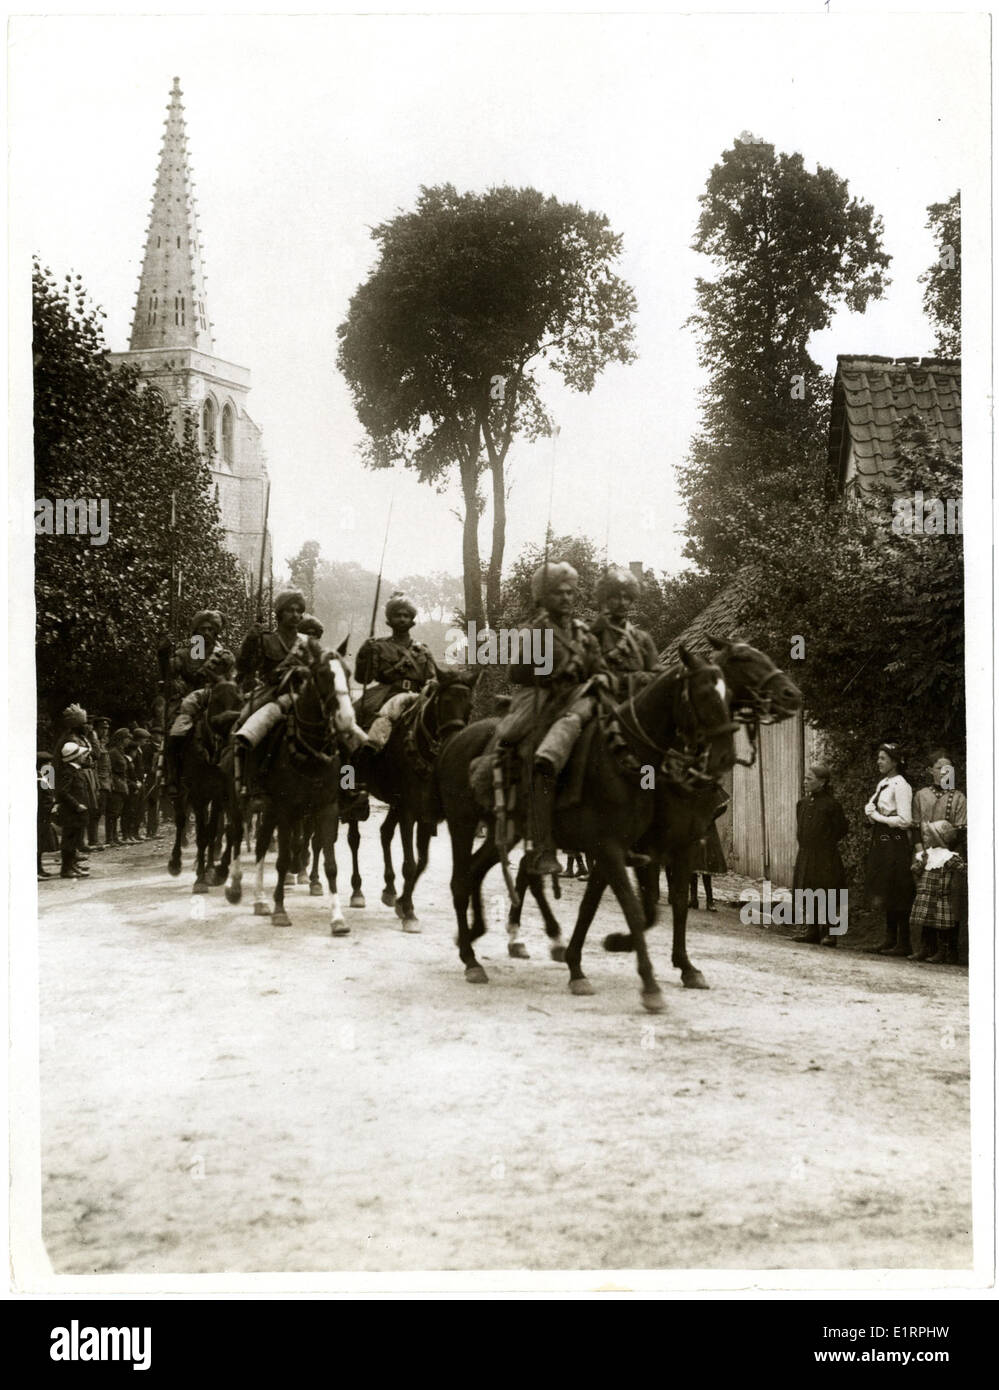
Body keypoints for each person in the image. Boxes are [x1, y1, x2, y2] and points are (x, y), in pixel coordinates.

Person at [496, 560, 607, 876]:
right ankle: (543, 846)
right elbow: (517, 672)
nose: (566, 598)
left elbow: (599, 669)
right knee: (538, 754)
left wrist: (596, 676)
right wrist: (552, 672)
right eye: (558, 592)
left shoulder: (584, 633)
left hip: (580, 698)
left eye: (571, 592)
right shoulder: (536, 631)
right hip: (543, 699)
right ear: (543, 596)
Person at [354, 593, 438, 750]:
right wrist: (365, 653)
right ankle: (357, 760)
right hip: (385, 695)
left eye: (406, 615)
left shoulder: (422, 650)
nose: (402, 619)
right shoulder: (378, 646)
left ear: (412, 619)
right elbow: (362, 680)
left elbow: (432, 679)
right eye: (397, 615)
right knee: (356, 716)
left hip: (417, 695)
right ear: (389, 620)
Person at [910, 752, 967, 964]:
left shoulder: (958, 797)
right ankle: (927, 946)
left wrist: (944, 850)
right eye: (940, 767)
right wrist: (920, 851)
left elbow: (960, 829)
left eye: (949, 767)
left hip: (948, 852)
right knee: (926, 897)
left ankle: (949, 949)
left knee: (948, 900)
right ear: (930, 771)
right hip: (925, 853)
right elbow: (916, 826)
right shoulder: (921, 795)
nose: (945, 771)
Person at [863, 742, 915, 956]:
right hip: (883, 839)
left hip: (895, 840)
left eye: (883, 758)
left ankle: (903, 943)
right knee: (886, 887)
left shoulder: (901, 785)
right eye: (878, 757)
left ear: (895, 762)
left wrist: (876, 816)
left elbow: (905, 820)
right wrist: (871, 815)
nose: (879, 761)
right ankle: (889, 938)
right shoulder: (884, 783)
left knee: (898, 888)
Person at [790, 764, 849, 946]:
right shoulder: (803, 804)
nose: (805, 782)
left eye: (810, 779)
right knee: (808, 888)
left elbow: (841, 829)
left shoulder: (832, 805)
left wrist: (825, 842)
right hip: (806, 853)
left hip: (825, 855)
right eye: (805, 778)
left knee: (826, 890)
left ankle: (830, 932)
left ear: (822, 782)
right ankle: (812, 930)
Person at [590, 566, 659, 694]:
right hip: (604, 701)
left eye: (626, 597)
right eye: (616, 597)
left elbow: (656, 672)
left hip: (639, 702)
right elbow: (586, 672)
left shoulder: (642, 637)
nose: (622, 603)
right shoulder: (593, 632)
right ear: (606, 599)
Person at [56, 742, 91, 879]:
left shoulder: (76, 770)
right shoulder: (68, 772)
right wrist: (76, 805)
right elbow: (63, 792)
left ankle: (72, 866)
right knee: (68, 842)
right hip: (72, 813)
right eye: (82, 755)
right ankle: (66, 869)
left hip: (78, 813)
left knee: (75, 841)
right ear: (75, 757)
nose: (84, 757)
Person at [37, 751, 56, 879]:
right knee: (38, 843)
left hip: (43, 815)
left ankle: (39, 868)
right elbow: (44, 799)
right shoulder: (39, 778)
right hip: (41, 815)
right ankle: (37, 869)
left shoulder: (43, 776)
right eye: (48, 763)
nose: (50, 765)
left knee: (41, 844)